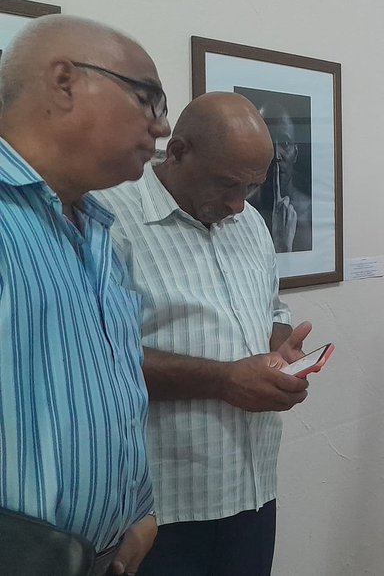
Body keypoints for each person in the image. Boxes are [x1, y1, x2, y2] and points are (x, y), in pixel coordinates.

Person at [95, 92, 314, 576]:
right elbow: (96, 357)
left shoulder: (249, 222)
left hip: (252, 486)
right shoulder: (107, 219)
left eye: (252, 187)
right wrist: (222, 379)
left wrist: (279, 348)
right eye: (227, 184)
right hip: (160, 505)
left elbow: (270, 307)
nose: (238, 203)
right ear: (177, 152)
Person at [0, 14, 171, 575]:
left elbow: (107, 388)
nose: (162, 127)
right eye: (147, 100)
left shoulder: (97, 231)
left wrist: (137, 510)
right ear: (65, 81)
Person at [249, 101, 312, 253]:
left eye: (285, 143)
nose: (276, 155)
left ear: (295, 153)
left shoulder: (310, 211)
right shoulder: (240, 211)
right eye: (268, 143)